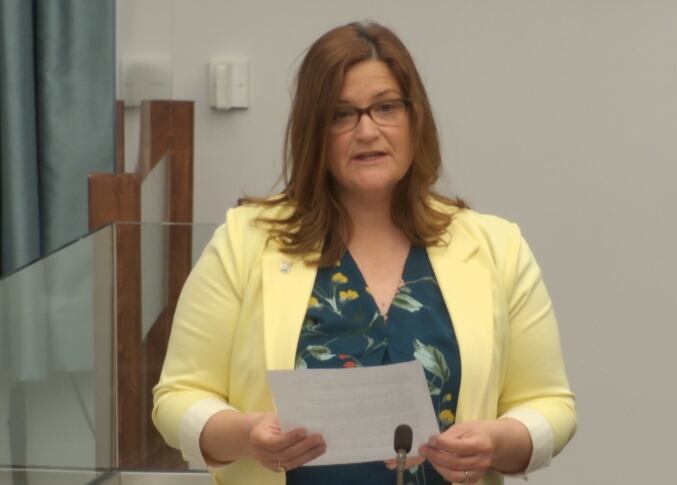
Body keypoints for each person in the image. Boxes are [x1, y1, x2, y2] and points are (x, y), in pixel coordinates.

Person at [152, 21, 576, 485]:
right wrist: (247, 434)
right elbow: (178, 398)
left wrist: (497, 442)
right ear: (315, 132)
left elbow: (551, 406)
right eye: (342, 115)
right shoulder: (245, 241)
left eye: (386, 108)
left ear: (416, 119)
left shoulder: (496, 246)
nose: (367, 131)